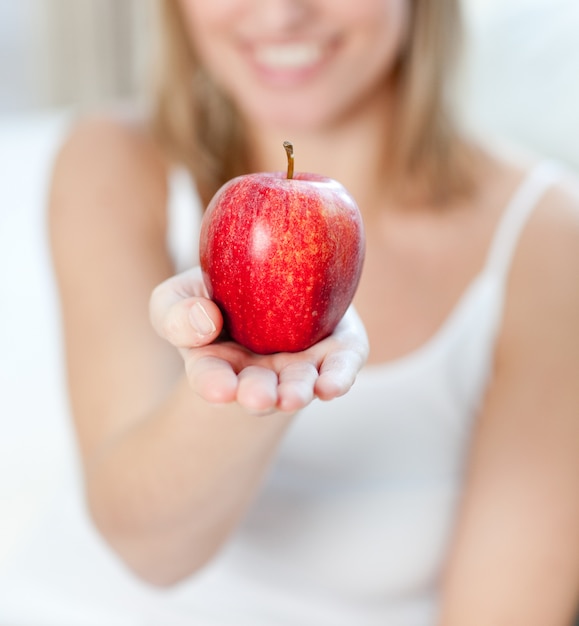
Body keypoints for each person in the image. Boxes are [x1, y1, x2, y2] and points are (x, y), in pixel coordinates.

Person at [8, 0, 579, 624]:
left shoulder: (550, 241)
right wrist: (245, 376)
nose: (281, 15)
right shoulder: (114, 160)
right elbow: (147, 551)